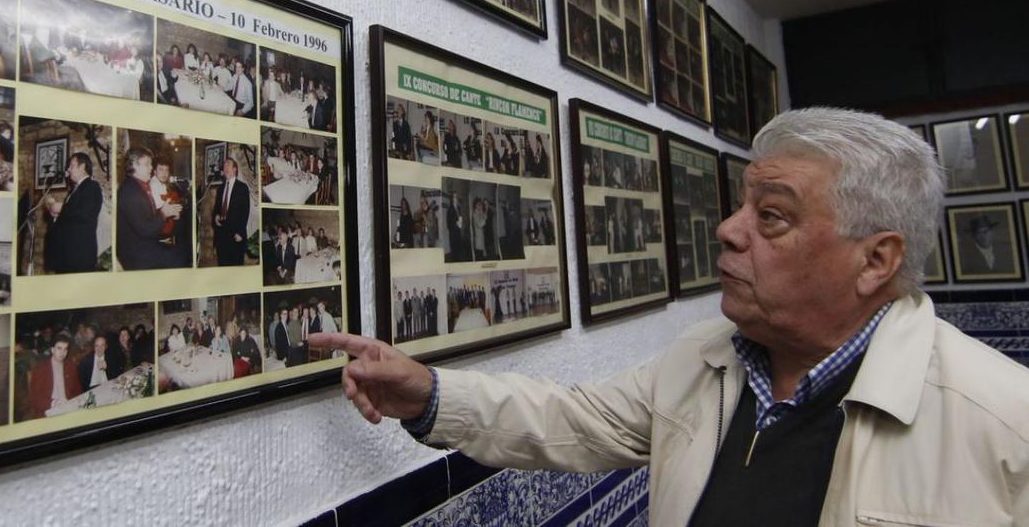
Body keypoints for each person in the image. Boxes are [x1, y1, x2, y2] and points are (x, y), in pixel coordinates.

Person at [310, 108, 1029, 526]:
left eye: (770, 216)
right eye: (741, 204)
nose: (727, 228)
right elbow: (571, 418)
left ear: (875, 260)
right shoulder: (703, 359)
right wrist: (427, 392)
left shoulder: (1002, 426)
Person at [117, 147, 184, 270]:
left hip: (144, 245)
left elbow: (147, 220)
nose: (151, 168)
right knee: (178, 260)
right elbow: (144, 229)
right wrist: (164, 214)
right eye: (147, 164)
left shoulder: (137, 186)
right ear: (134, 165)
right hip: (137, 254)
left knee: (179, 251)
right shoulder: (130, 191)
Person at [43, 152, 103, 273]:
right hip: (66, 256)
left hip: (79, 256)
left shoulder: (92, 186)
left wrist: (62, 208)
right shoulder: (73, 191)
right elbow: (71, 216)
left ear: (82, 167)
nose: (68, 170)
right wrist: (55, 215)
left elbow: (85, 213)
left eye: (71, 166)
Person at [28, 336, 81, 418]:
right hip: (49, 410)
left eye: (65, 349)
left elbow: (78, 391)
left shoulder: (71, 367)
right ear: (52, 350)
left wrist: (71, 403)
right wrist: (53, 403)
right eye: (59, 348)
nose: (62, 352)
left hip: (68, 408)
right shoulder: (40, 369)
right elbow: (34, 398)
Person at [213, 157, 251, 266]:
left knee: (235, 268)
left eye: (228, 165)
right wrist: (216, 216)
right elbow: (217, 208)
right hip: (221, 236)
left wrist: (240, 232)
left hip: (235, 236)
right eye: (224, 166)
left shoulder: (242, 187)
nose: (225, 168)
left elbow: (245, 211)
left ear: (235, 169)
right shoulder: (220, 189)